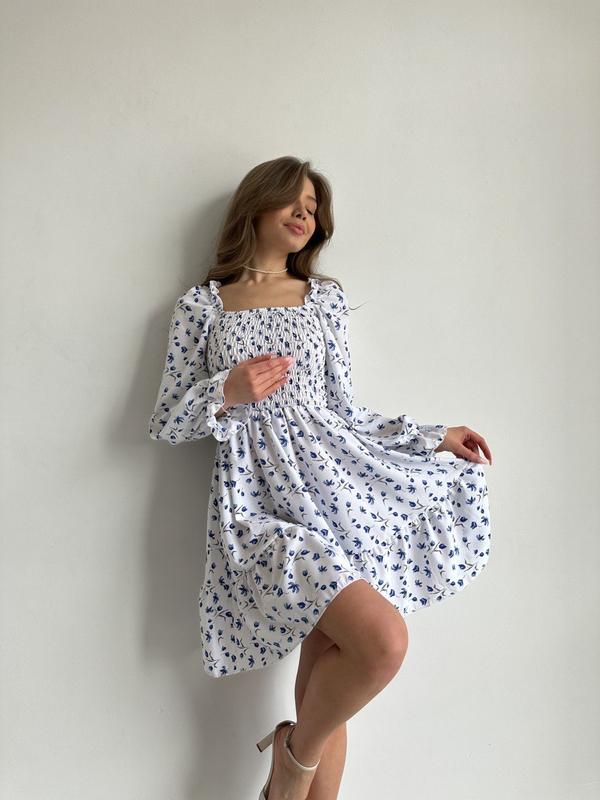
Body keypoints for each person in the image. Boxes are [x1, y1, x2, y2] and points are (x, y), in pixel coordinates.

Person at [148, 155, 493, 800]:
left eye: (314, 208)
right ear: (257, 204)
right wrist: (227, 390)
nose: (306, 215)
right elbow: (168, 418)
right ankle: (292, 759)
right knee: (382, 644)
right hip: (258, 505)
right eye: (294, 202)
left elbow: (344, 411)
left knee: (336, 669)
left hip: (336, 490)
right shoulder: (203, 305)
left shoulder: (323, 299)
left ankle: (291, 767)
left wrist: (432, 437)